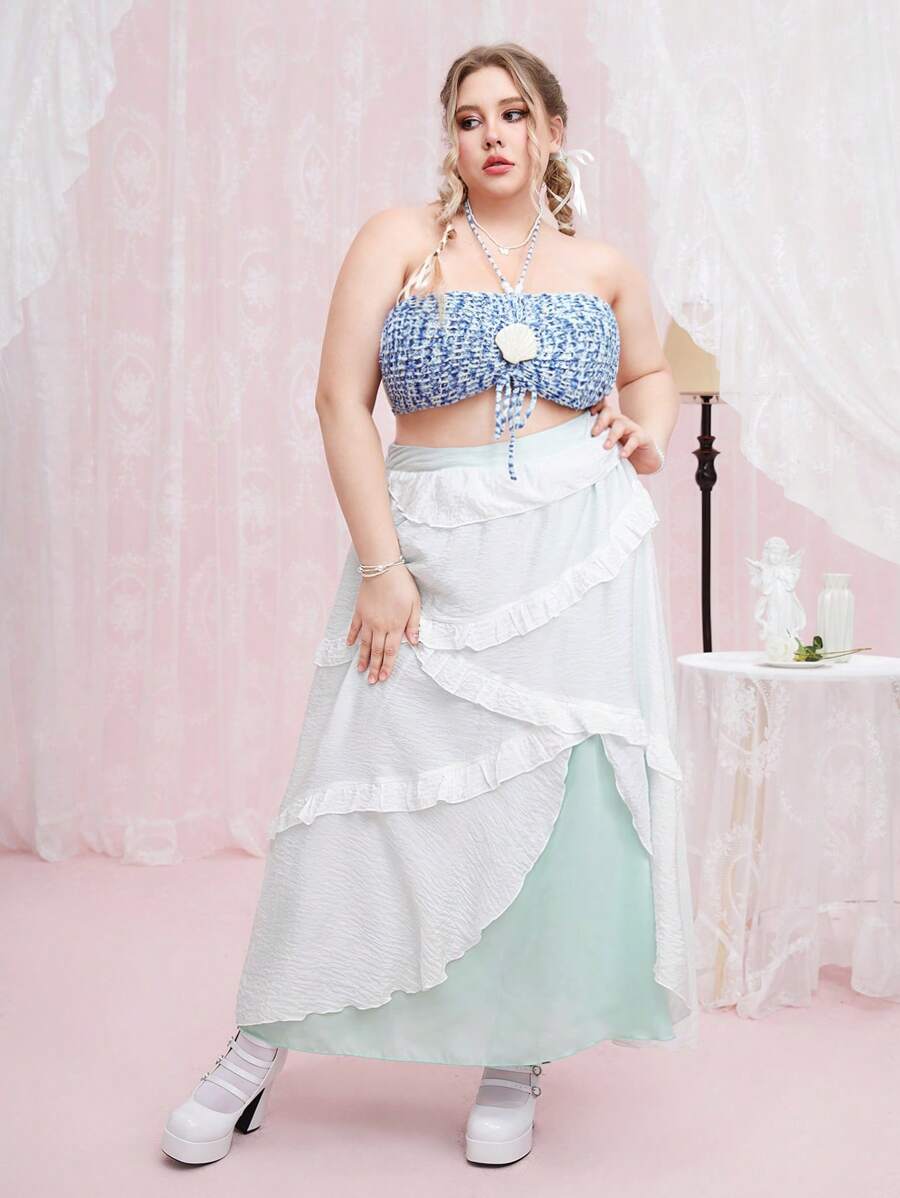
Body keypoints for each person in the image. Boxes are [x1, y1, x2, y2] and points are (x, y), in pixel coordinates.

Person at [162, 41, 698, 1169]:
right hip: (430, 547)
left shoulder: (603, 263)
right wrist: (382, 565)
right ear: (449, 137)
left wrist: (644, 430)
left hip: (576, 553)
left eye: (514, 114)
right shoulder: (399, 241)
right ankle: (255, 1049)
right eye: (469, 118)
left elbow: (651, 374)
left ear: (553, 130)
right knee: (356, 790)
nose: (492, 135)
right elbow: (337, 401)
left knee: (559, 806)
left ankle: (516, 1049)